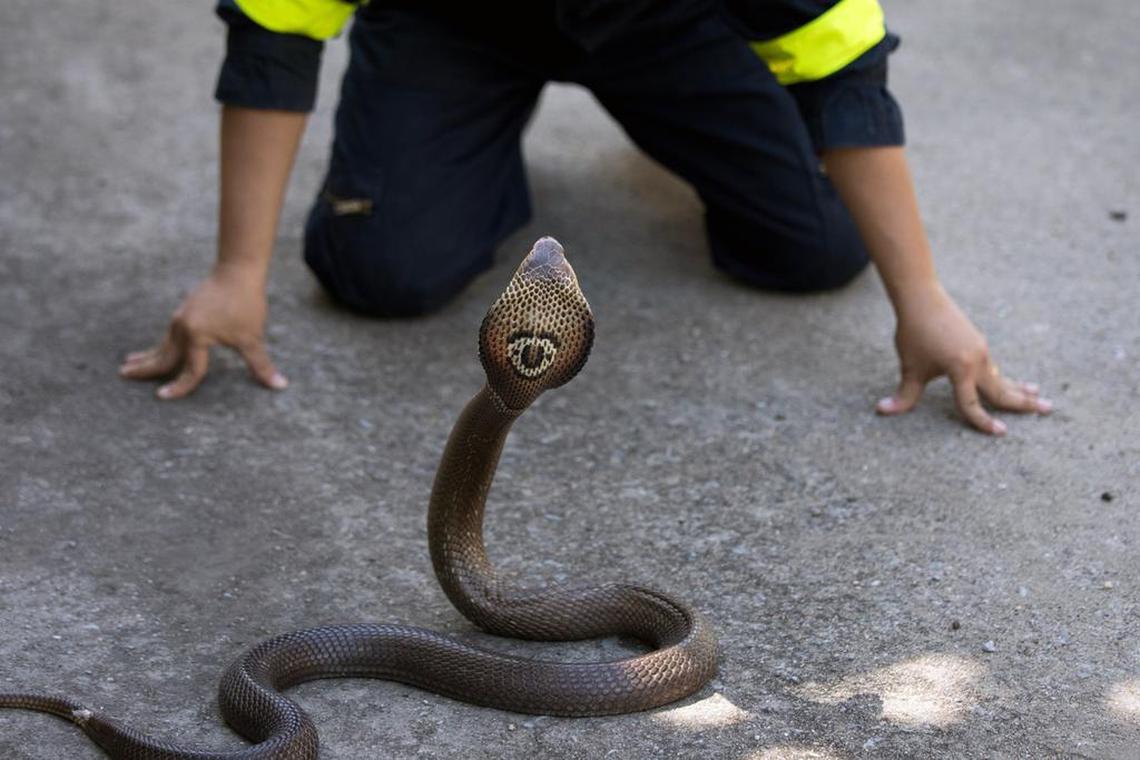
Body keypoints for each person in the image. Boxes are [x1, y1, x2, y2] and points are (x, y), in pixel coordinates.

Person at [119, 0, 1052, 435]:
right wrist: (238, 271)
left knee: (818, 243)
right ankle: (468, 158)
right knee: (378, 268)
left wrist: (922, 296)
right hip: (456, 23)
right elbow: (275, 31)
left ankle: (666, 132)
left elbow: (842, 62)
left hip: (668, 22)